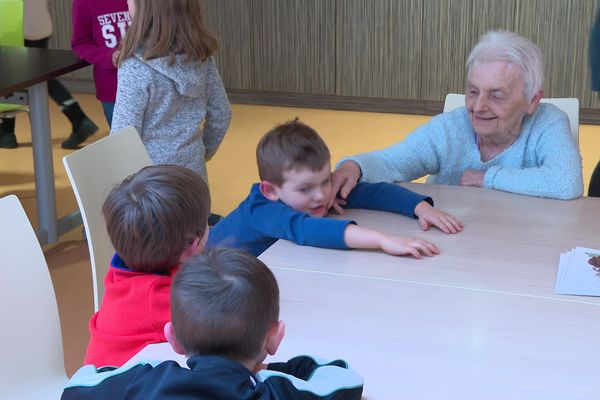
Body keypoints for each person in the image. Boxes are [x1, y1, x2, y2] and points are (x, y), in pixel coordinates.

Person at [62, 248, 364, 400]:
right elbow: (344, 377)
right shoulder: (274, 392)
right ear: (274, 339)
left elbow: (76, 385)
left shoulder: (146, 382)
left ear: (173, 339)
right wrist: (270, 370)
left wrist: (145, 369)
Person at [330, 30, 583, 206]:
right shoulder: (450, 128)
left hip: (518, 244)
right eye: (473, 91)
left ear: (532, 100)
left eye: (496, 95)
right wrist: (355, 166)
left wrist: (487, 178)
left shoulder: (548, 122)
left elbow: (565, 182)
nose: (478, 106)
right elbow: (392, 162)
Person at [208, 119, 463, 258]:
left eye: (325, 181)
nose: (320, 195)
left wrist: (419, 207)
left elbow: (373, 193)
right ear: (271, 190)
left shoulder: (313, 194)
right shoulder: (262, 209)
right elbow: (309, 230)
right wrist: (384, 240)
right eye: (305, 189)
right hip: (208, 277)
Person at [84, 164, 211, 368]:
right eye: (207, 220)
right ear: (194, 244)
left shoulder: (126, 267)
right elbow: (227, 331)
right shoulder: (161, 299)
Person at [110, 0, 231, 193]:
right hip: (194, 172)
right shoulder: (202, 58)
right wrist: (202, 151)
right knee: (195, 222)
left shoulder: (135, 67)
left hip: (149, 183)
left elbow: (122, 136)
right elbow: (222, 113)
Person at [0, 0, 98, 149]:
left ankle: (78, 118)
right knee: (23, 75)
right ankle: (7, 133)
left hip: (16, 25)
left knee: (28, 76)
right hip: (39, 24)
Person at [71, 0, 130, 128]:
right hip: (112, 87)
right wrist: (109, 56)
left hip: (150, 82)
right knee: (124, 140)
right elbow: (80, 43)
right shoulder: (83, 3)